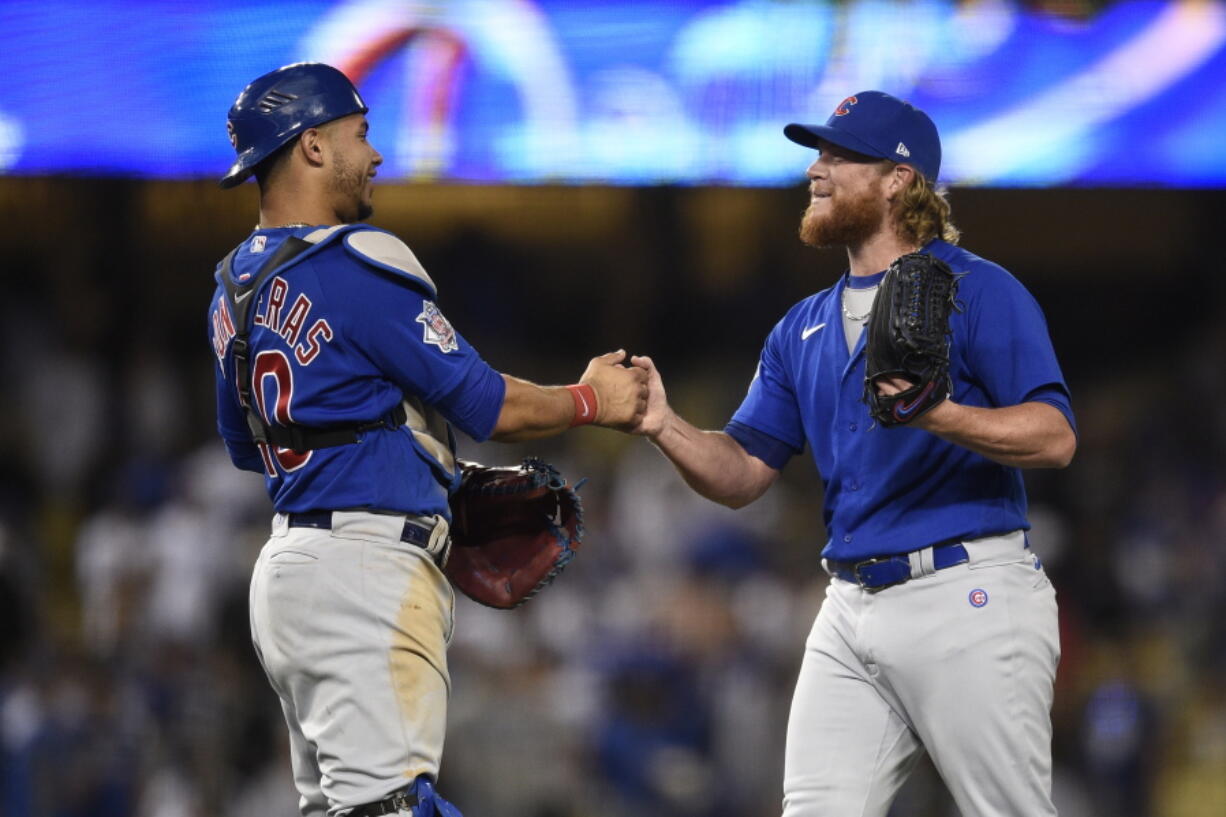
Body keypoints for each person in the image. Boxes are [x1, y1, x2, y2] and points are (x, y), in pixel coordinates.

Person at [206, 62, 647, 817]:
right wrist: (590, 398)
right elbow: (487, 403)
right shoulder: (350, 265)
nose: (374, 154)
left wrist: (408, 459)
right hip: (362, 570)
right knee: (393, 808)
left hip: (288, 572)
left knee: (346, 807)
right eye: (360, 133)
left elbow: (247, 446)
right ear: (312, 146)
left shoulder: (231, 286)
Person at [630, 90, 1076, 816]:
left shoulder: (981, 289)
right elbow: (743, 473)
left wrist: (942, 414)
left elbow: (1055, 437)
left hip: (967, 592)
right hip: (849, 603)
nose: (816, 169)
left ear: (899, 178)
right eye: (817, 153)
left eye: (839, 155)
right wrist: (664, 423)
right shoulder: (799, 327)